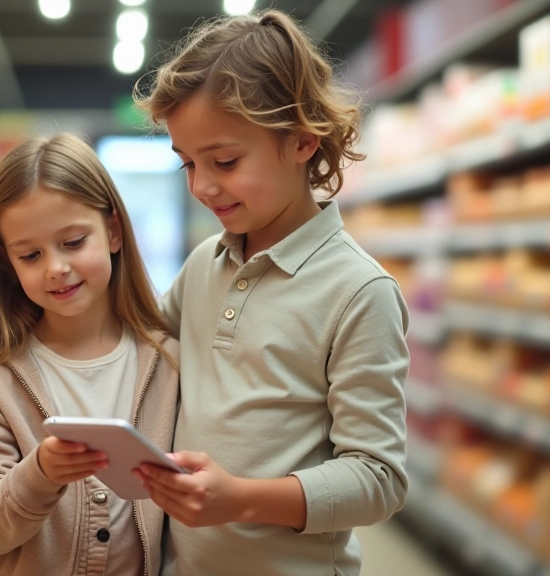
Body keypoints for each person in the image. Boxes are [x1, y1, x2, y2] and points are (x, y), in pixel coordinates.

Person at [132, 10, 409, 576]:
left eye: (225, 161)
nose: (202, 186)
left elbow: (378, 478)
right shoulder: (202, 266)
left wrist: (242, 497)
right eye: (188, 163)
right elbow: (144, 360)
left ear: (302, 139)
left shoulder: (360, 292)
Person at [0, 133, 180, 576]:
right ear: (7, 264)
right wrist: (40, 473)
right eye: (30, 255)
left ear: (113, 231)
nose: (56, 268)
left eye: (72, 242)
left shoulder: (169, 363)